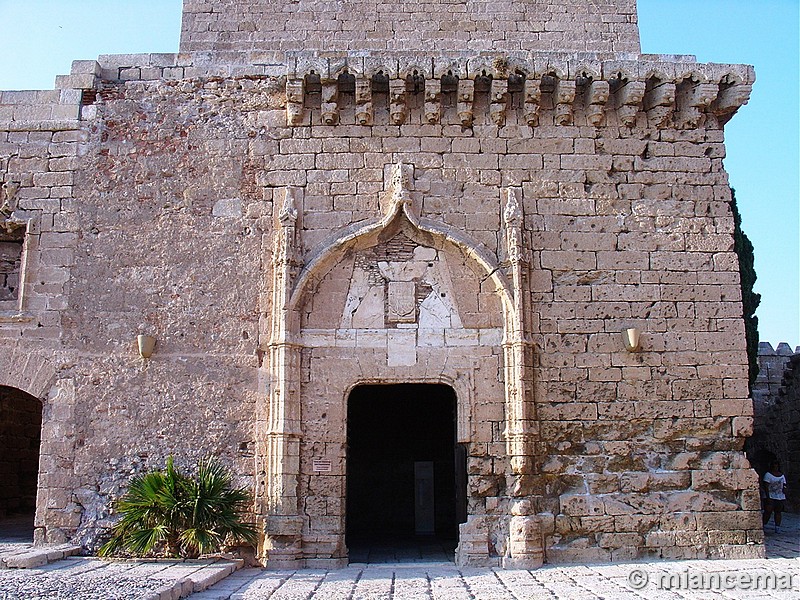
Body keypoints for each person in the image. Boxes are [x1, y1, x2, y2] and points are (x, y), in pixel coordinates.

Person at [762, 461, 787, 533]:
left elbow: (784, 484)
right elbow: (766, 486)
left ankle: (777, 527)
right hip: (770, 495)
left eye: (777, 466)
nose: (776, 468)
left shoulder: (782, 475)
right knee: (768, 511)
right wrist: (768, 497)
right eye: (774, 466)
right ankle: (764, 524)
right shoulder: (768, 475)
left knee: (778, 511)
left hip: (780, 496)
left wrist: (785, 490)